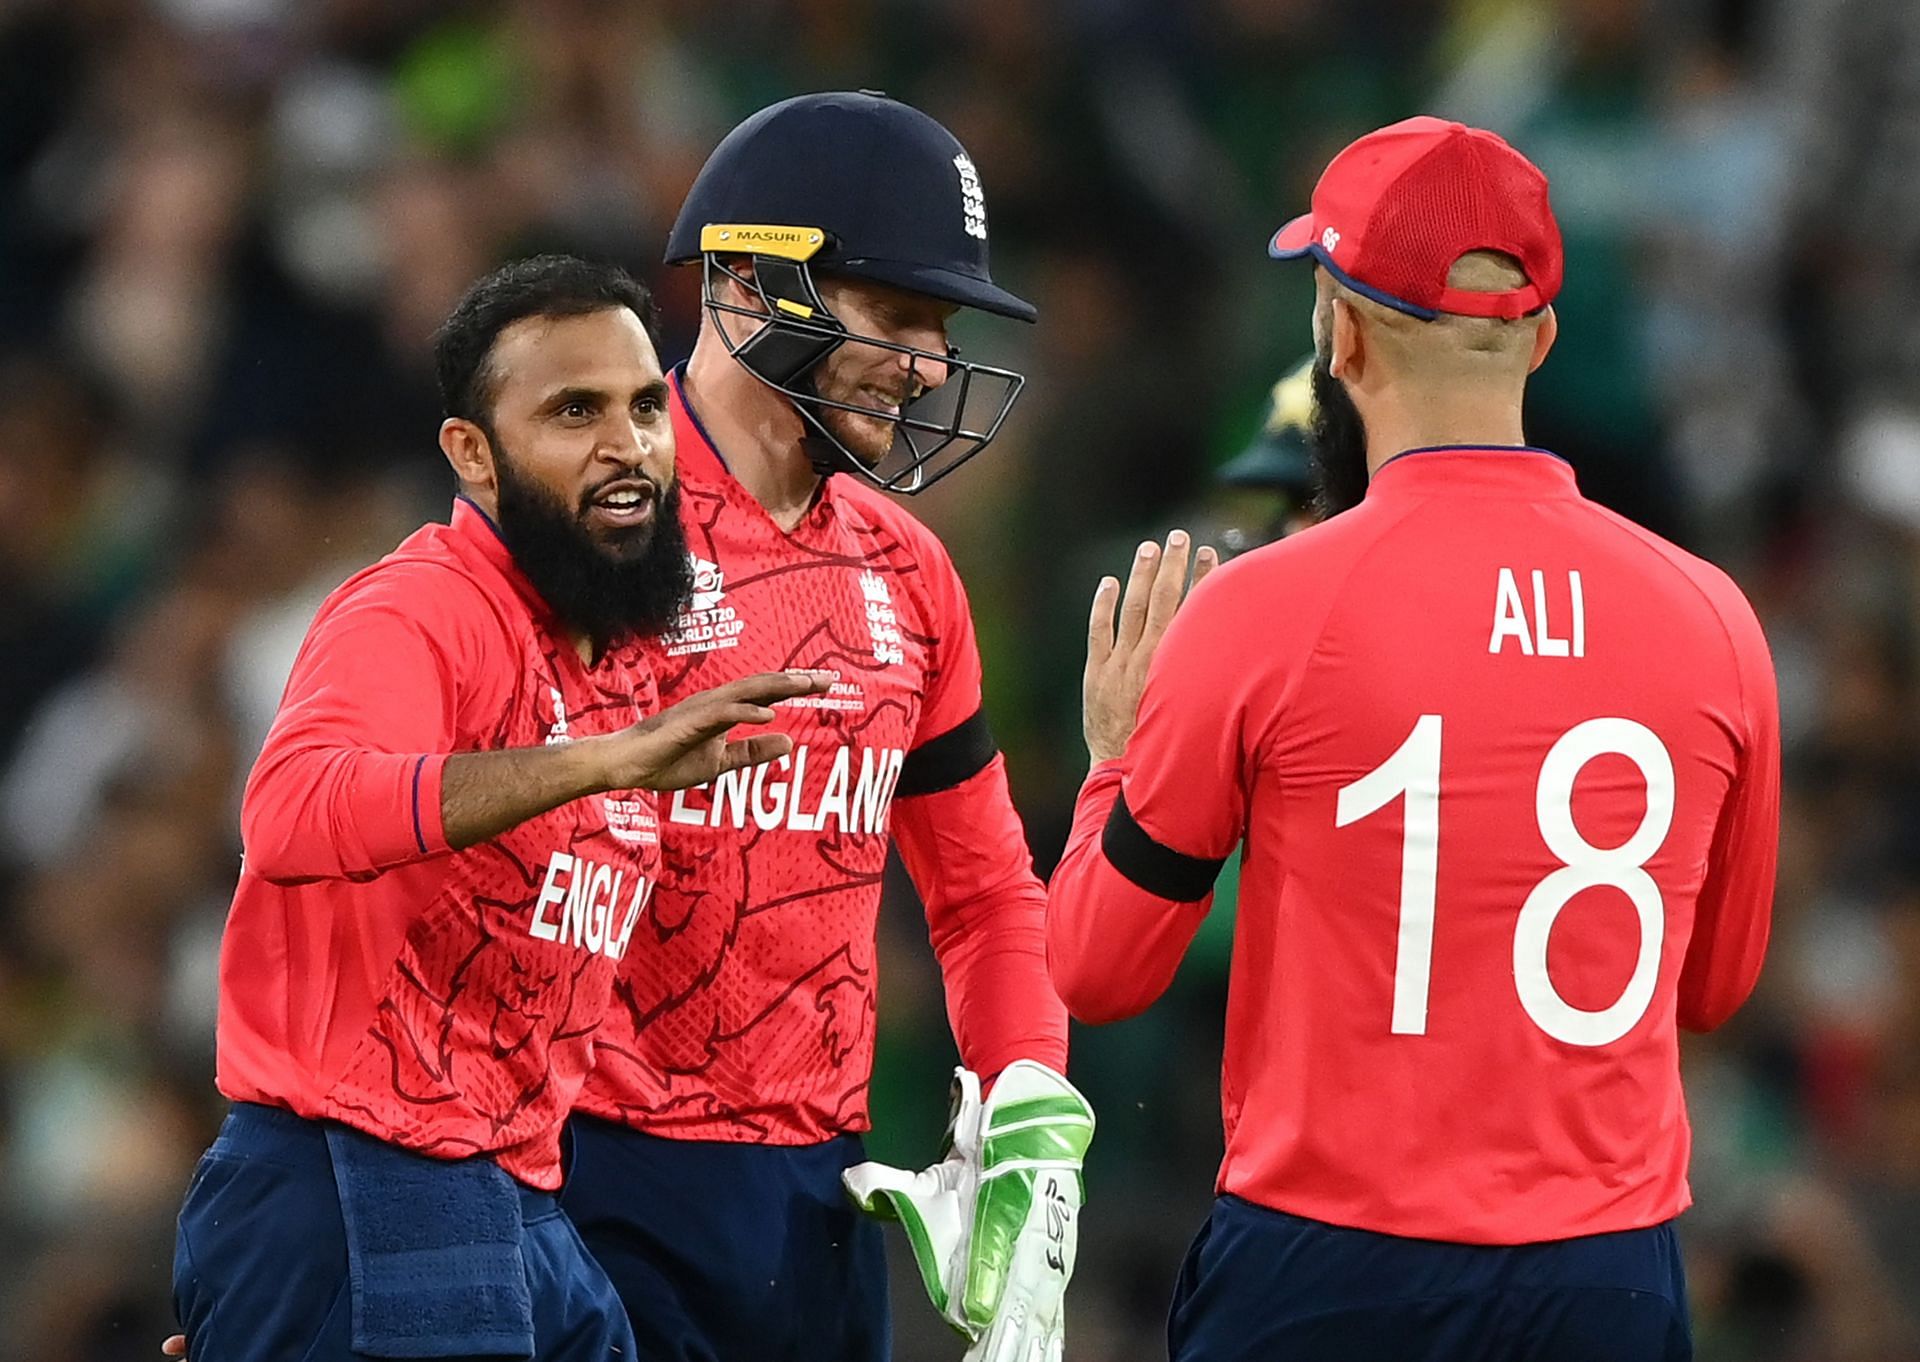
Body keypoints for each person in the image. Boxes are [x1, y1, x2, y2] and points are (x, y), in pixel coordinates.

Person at [1049, 117, 1779, 1361]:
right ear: (1539, 337)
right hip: (1604, 1280)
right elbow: (1713, 988)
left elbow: (1097, 969)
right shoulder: (1714, 617)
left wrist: (1114, 757)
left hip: (1328, 1269)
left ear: (1336, 332)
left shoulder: (1261, 611)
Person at [170, 254, 829, 1362]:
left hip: (519, 1187)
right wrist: (594, 762)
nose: (627, 445)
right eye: (574, 412)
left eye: (642, 407)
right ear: (471, 454)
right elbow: (291, 810)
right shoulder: (420, 608)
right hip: (366, 1170)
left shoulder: (612, 661)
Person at [556, 92, 1130, 1362]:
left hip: (819, 1198)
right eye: (898, 313)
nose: (930, 362)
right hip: (578, 1182)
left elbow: (981, 893)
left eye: (941, 325)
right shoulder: (577, 521)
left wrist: (1029, 1090)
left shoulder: (913, 574)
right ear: (755, 288)